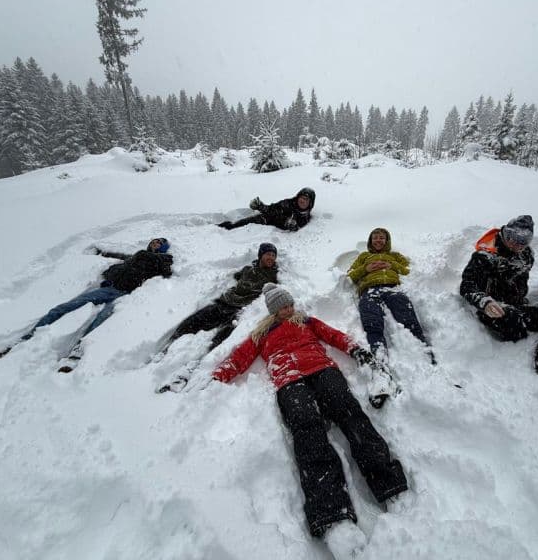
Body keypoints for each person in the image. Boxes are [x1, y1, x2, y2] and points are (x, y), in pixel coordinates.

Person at [209, 283, 408, 544]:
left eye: (290, 304)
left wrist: (354, 349)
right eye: (282, 307)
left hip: (322, 369)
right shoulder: (261, 333)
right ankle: (331, 514)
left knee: (351, 414)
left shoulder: (305, 321)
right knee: (306, 429)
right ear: (273, 310)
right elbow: (240, 357)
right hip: (288, 379)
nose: (288, 309)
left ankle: (388, 483)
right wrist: (218, 376)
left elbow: (332, 335)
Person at [0, 238, 173, 372]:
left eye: (159, 243)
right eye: (154, 241)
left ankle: (77, 353)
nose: (155, 244)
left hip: (125, 294)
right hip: (110, 288)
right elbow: (121, 259)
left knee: (102, 320)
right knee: (64, 307)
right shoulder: (138, 255)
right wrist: (103, 257)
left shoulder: (161, 259)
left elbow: (167, 272)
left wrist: (163, 260)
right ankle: (24, 338)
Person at [460, 215, 538, 380]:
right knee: (513, 326)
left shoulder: (526, 255)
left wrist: (521, 301)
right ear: (504, 233)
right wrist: (485, 302)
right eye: (512, 237)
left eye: (524, 240)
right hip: (492, 308)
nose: (517, 244)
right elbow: (467, 286)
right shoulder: (484, 256)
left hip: (517, 306)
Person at [156, 243, 279, 393]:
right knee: (193, 321)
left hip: (239, 310)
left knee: (221, 339)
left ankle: (194, 367)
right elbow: (236, 276)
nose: (271, 258)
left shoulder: (274, 275)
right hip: (224, 302)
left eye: (273, 255)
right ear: (260, 255)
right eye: (268, 254)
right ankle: (168, 346)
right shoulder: (248, 269)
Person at [347, 227, 434, 364]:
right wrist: (366, 269)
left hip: (392, 288)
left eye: (381, 237)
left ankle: (424, 353)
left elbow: (407, 270)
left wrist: (391, 264)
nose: (378, 240)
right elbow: (350, 274)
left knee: (407, 317)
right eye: (375, 238)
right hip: (369, 289)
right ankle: (378, 355)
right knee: (372, 321)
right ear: (370, 241)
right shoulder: (364, 256)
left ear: (387, 240)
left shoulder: (395, 256)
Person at [217, 187, 315, 231]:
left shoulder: (305, 217)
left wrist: (291, 225)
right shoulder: (288, 203)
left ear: (310, 203)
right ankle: (221, 228)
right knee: (238, 225)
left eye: (306, 199)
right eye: (301, 197)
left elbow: (296, 227)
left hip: (271, 229)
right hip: (266, 219)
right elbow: (272, 209)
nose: (302, 201)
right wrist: (260, 206)